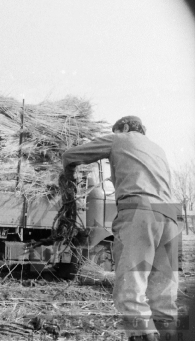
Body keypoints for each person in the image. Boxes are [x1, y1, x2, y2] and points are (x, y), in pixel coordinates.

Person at [62, 116, 181, 341]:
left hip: (139, 213)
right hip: (171, 217)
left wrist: (66, 168)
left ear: (124, 127)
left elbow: (72, 155)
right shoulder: (158, 149)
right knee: (164, 295)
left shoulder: (121, 139)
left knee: (131, 291)